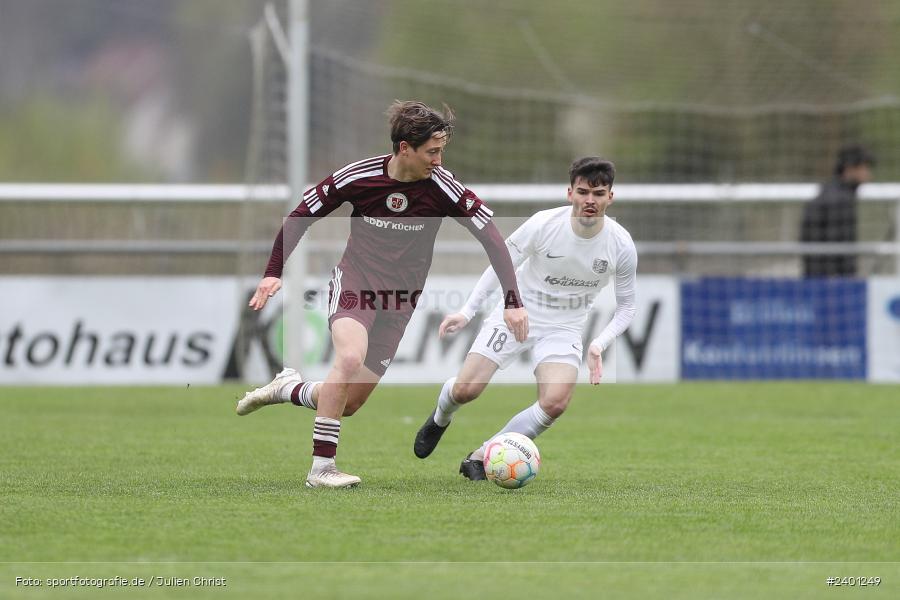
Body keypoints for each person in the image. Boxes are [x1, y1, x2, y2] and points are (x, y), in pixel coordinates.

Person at [236, 100, 528, 488]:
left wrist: (512, 300)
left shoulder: (442, 186)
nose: (439, 161)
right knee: (350, 357)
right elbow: (302, 215)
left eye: (442, 151)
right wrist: (273, 272)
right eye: (432, 152)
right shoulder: (358, 177)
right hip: (356, 283)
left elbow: (493, 238)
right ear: (405, 148)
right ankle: (321, 470)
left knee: (350, 403)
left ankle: (287, 387)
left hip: (400, 302)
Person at [413, 157, 637, 479]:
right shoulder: (543, 224)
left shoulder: (621, 245)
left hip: (564, 327)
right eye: (583, 192)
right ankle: (440, 418)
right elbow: (500, 262)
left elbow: (628, 306)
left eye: (599, 194)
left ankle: (482, 455)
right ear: (570, 192)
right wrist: (468, 310)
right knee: (466, 390)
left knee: (555, 402)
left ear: (610, 197)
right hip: (519, 313)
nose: (590, 200)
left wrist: (599, 344)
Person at [800, 143, 876, 277]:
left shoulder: (831, 193)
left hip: (821, 279)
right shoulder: (839, 200)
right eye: (864, 167)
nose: (868, 173)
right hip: (831, 283)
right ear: (850, 169)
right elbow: (835, 248)